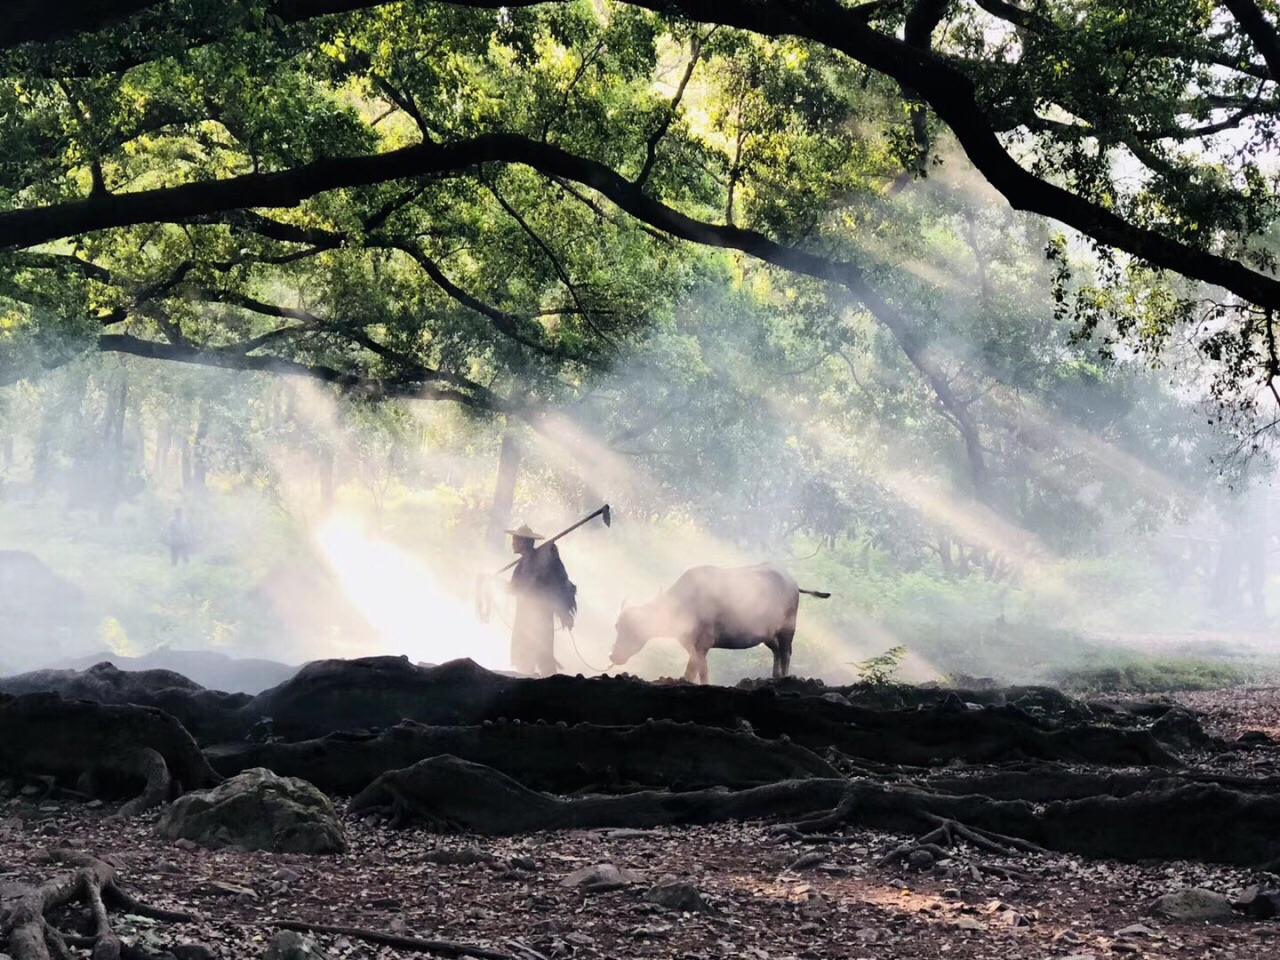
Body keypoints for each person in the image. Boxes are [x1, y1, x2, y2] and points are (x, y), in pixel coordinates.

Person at [506, 523, 577, 676]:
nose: (512, 543)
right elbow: (514, 588)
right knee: (526, 661)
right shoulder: (523, 564)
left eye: (515, 540)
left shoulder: (538, 562)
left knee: (542, 660)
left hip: (538, 620)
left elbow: (528, 588)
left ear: (524, 542)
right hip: (525, 619)